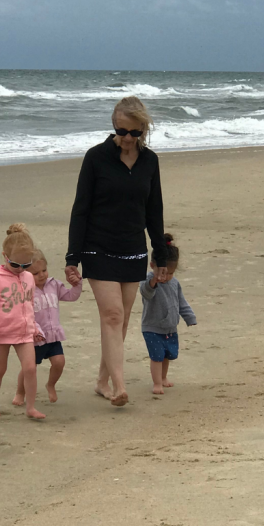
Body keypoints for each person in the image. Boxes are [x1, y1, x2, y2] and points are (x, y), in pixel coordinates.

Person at [65, 95, 168, 407]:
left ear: (143, 131)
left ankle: (101, 381)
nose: (127, 139)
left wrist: (159, 254)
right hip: (98, 248)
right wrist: (73, 257)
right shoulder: (96, 158)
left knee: (120, 321)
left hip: (133, 249)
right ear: (114, 127)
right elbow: (80, 209)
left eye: (134, 133)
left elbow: (155, 211)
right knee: (111, 315)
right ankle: (119, 387)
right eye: (122, 132)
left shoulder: (150, 162)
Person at [0, 223, 46, 420]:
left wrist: (34, 327)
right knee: (0, 369)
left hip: (25, 332)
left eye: (25, 265)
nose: (20, 269)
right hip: (1, 333)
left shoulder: (28, 277)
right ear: (5, 257)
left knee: (30, 368)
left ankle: (31, 407)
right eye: (15, 265)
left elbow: (29, 305)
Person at [14, 251, 82, 405]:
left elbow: (71, 296)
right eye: (35, 273)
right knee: (29, 368)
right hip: (35, 337)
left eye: (44, 270)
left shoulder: (54, 285)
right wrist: (35, 329)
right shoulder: (25, 290)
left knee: (59, 362)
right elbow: (25, 313)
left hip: (53, 335)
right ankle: (20, 392)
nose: (42, 275)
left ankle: (51, 384)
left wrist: (77, 284)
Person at [139, 233, 197, 394]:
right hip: (152, 327)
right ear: (152, 265)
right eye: (162, 272)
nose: (166, 277)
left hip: (170, 327)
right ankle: (157, 383)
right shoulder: (147, 281)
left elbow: (181, 302)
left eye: (170, 273)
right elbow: (146, 293)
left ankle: (163, 378)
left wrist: (189, 317)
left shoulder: (174, 283)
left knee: (167, 355)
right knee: (156, 356)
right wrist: (153, 282)